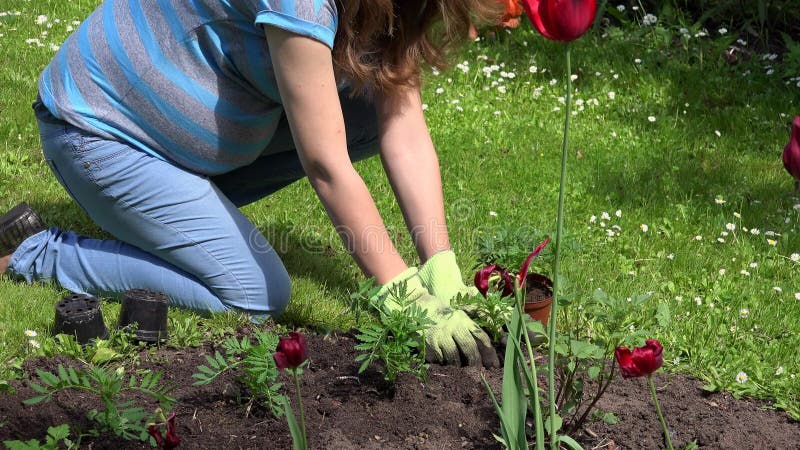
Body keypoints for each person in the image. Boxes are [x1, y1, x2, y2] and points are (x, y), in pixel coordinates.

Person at [0, 0, 501, 367]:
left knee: (368, 111)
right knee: (255, 293)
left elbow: (403, 126)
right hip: (100, 131)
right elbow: (326, 165)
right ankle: (35, 252)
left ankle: (175, 218)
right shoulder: (303, 5)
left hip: (180, 143)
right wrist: (399, 290)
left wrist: (440, 265)